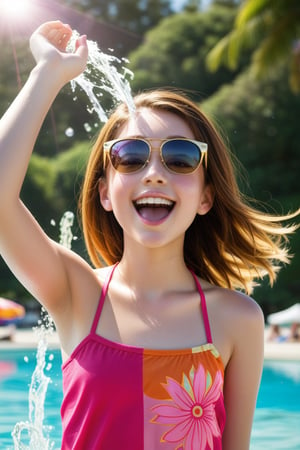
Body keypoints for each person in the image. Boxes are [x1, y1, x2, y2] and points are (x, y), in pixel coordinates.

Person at [0, 21, 298, 450]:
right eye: (131, 156)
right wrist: (46, 74)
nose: (154, 174)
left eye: (179, 158)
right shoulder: (76, 293)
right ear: (105, 191)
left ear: (206, 197)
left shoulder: (237, 320)